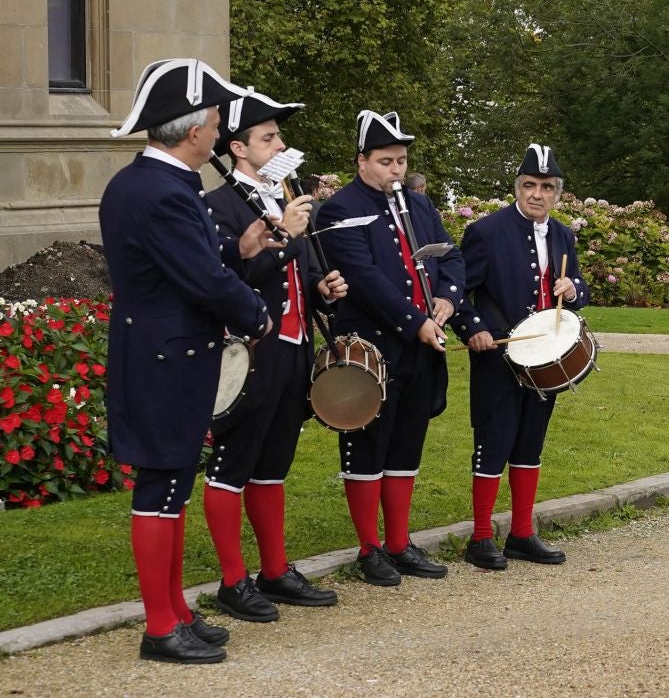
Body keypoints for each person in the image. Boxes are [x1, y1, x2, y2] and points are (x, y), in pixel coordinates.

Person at [100, 58, 292, 663]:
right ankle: (161, 627)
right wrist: (258, 316)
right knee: (160, 486)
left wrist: (242, 247)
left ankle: (177, 610)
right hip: (163, 358)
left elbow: (203, 262)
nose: (216, 130)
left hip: (173, 354)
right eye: (212, 121)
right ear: (191, 132)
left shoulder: (162, 184)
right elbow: (202, 281)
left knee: (174, 483)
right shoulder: (158, 191)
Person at [204, 90, 345, 623]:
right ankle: (233, 581)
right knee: (232, 466)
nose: (280, 144)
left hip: (294, 350)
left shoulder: (281, 198)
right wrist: (285, 232)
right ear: (238, 148)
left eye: (279, 136)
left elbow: (296, 271)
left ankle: (274, 569)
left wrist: (322, 284)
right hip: (249, 354)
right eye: (269, 137)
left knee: (273, 466)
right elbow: (229, 281)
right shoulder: (217, 206)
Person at [318, 110, 465, 584]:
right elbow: (364, 279)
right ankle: (368, 548)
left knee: (407, 443)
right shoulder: (339, 207)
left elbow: (452, 256)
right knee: (366, 446)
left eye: (401, 160)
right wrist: (415, 322)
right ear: (362, 160)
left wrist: (447, 300)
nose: (396, 170)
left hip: (422, 344)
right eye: (386, 161)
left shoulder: (419, 206)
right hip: (372, 347)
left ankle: (399, 542)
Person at [453, 143, 591, 570]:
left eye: (546, 187)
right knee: (493, 442)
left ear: (558, 193)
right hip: (498, 356)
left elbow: (580, 289)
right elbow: (456, 292)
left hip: (545, 359)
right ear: (517, 187)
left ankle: (522, 533)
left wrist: (574, 291)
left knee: (530, 442)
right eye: (529, 185)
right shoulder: (486, 231)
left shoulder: (564, 234)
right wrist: (473, 329)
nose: (537, 194)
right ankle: (479, 538)